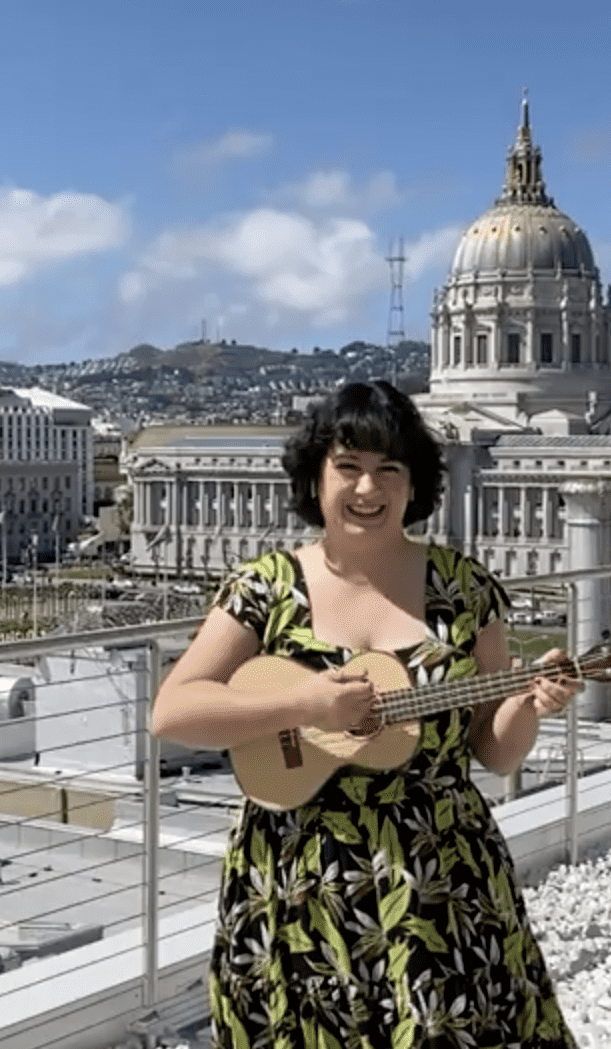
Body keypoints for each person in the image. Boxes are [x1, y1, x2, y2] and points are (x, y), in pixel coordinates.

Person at [151, 380, 582, 1049]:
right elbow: (174, 711)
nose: (367, 489)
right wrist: (308, 702)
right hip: (296, 877)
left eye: (389, 469)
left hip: (437, 873)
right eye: (348, 468)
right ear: (316, 477)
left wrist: (530, 702)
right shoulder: (265, 587)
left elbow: (495, 753)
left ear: (414, 484)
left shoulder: (464, 590)